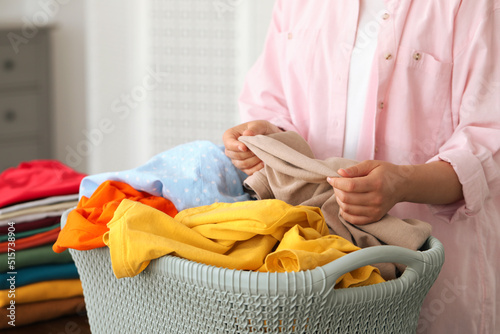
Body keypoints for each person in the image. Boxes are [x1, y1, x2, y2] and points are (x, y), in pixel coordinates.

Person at [223, 1, 500, 333]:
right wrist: (267, 139)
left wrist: (405, 183)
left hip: (437, 276)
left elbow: (488, 140)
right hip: (318, 271)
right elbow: (271, 101)